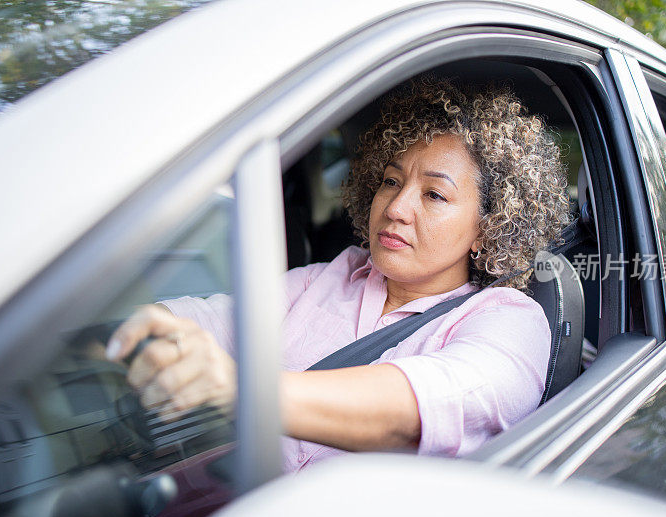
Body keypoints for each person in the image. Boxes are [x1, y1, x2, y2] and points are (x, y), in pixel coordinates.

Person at [106, 77, 570, 473]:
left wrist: (244, 390)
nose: (396, 207)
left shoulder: (510, 320)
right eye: (391, 181)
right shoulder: (335, 274)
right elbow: (215, 320)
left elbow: (423, 407)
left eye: (433, 195)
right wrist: (118, 328)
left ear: (486, 230)